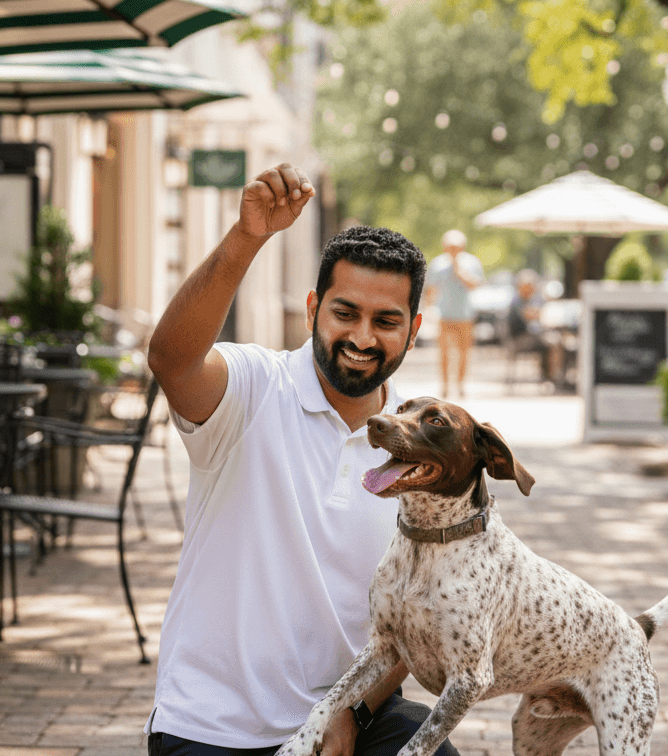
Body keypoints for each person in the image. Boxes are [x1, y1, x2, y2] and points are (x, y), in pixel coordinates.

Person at [145, 163, 458, 756]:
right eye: (345, 313)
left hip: (352, 716)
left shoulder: (428, 458)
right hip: (212, 724)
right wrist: (248, 239)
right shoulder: (252, 387)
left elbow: (413, 625)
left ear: (413, 331)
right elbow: (172, 359)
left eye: (386, 321)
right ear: (315, 306)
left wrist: (347, 712)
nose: (363, 337)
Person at [423, 229, 483, 398]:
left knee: (464, 353)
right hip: (444, 316)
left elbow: (475, 284)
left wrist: (459, 271)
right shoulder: (437, 264)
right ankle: (445, 386)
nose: (453, 250)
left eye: (456, 246)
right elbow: (431, 290)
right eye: (450, 246)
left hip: (465, 316)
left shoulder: (472, 263)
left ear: (462, 247)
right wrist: (428, 310)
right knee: (444, 354)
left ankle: (461, 385)